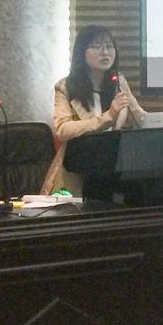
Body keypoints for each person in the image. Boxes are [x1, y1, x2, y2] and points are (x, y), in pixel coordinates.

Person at [40, 25, 146, 196]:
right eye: (97, 46)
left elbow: (139, 118)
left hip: (114, 165)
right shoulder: (65, 87)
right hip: (79, 167)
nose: (105, 52)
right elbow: (62, 130)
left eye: (109, 46)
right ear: (81, 52)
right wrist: (107, 117)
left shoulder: (118, 82)